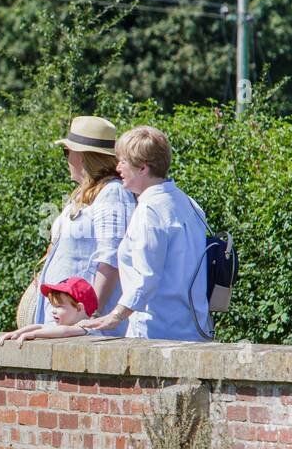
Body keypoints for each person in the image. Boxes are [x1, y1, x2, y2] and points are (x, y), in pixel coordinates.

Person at [78, 126, 211, 341]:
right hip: (194, 330)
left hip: (156, 332)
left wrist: (115, 315)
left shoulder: (149, 210)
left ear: (143, 168)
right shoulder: (189, 203)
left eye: (124, 162)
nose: (118, 167)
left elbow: (146, 277)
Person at [35, 116, 136, 334]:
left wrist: (89, 317)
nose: (66, 159)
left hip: (83, 323)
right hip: (66, 316)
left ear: (81, 157)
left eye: (66, 152)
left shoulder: (112, 193)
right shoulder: (85, 193)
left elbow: (111, 260)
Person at [0, 276, 103, 343]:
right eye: (53, 305)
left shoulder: (87, 328)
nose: (53, 310)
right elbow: (40, 325)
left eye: (59, 306)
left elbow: (64, 332)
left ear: (79, 308)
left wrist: (34, 334)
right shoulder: (66, 325)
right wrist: (17, 333)